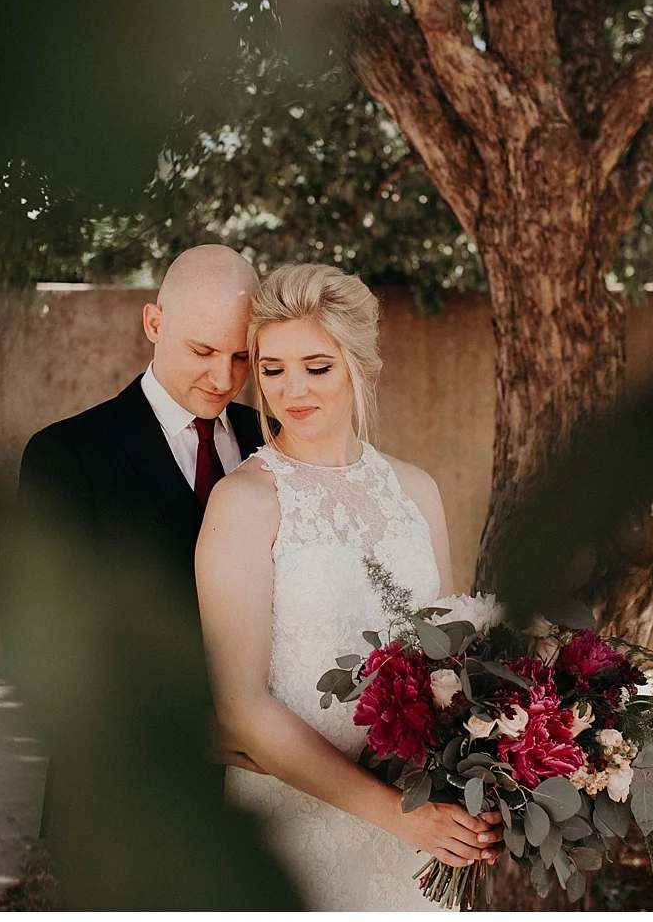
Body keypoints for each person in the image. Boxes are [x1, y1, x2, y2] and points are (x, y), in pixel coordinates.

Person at [195, 264, 503, 911]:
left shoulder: (417, 491)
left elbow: (450, 674)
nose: (292, 390)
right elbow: (240, 707)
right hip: (295, 834)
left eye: (317, 366)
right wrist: (399, 815)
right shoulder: (244, 502)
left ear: (359, 363)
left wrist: (484, 785)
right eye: (272, 368)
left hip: (420, 836)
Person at [17, 243, 268, 838]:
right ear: (154, 323)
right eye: (203, 351)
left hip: (266, 804)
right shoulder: (65, 455)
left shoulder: (273, 441)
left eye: (242, 356)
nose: (224, 378)